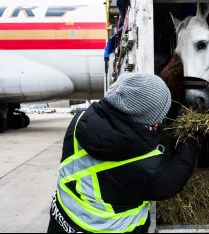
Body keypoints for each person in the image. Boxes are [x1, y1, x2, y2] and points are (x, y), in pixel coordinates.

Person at [47, 73, 198, 233]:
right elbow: (174, 179)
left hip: (62, 222)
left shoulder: (78, 120)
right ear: (150, 118)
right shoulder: (148, 166)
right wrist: (189, 138)